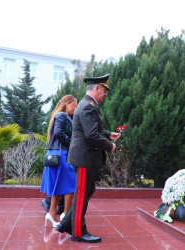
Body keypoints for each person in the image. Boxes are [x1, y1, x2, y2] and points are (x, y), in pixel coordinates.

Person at [55, 74, 121, 243]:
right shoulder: (87, 107)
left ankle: (65, 223)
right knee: (82, 194)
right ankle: (78, 232)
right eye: (104, 89)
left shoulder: (88, 105)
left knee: (86, 192)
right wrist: (109, 145)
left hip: (86, 156)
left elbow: (91, 129)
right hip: (85, 157)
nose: (106, 93)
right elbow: (91, 135)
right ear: (97, 88)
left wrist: (108, 134)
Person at [40, 94, 78, 227]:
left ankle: (52, 213)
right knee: (70, 184)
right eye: (74, 105)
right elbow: (58, 133)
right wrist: (72, 143)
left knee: (59, 184)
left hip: (57, 153)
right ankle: (65, 215)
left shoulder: (63, 116)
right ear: (67, 104)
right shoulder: (62, 115)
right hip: (61, 153)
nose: (75, 108)